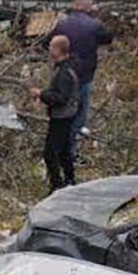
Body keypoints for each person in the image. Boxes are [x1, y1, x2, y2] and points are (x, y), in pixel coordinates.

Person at [48, 0, 112, 164]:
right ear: (89, 6)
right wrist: (96, 16)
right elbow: (108, 38)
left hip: (63, 75)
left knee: (62, 113)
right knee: (78, 117)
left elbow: (49, 41)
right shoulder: (94, 24)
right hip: (83, 78)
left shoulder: (62, 23)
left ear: (75, 4)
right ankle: (70, 154)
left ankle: (59, 150)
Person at [36, 35, 80, 193]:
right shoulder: (68, 67)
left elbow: (60, 98)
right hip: (67, 115)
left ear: (59, 50)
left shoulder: (64, 72)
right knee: (64, 151)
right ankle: (70, 180)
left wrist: (41, 95)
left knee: (50, 153)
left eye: (52, 47)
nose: (49, 49)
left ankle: (57, 185)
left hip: (62, 117)